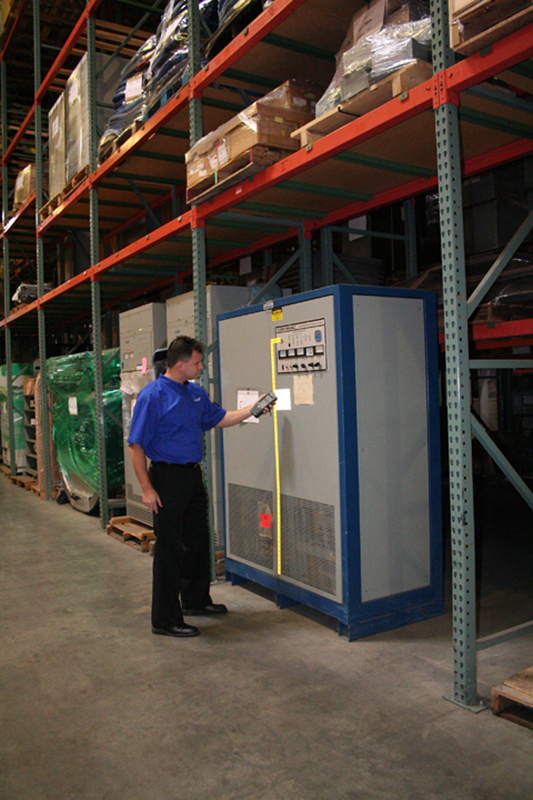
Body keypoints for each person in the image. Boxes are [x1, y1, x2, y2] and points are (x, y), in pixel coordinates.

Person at [128, 334, 271, 639]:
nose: (201, 366)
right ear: (179, 364)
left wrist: (254, 409)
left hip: (192, 476)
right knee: (169, 549)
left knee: (196, 540)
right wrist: (146, 488)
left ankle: (194, 600)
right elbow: (136, 445)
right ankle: (165, 619)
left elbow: (219, 418)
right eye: (197, 362)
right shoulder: (152, 397)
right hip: (166, 479)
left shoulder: (194, 394)